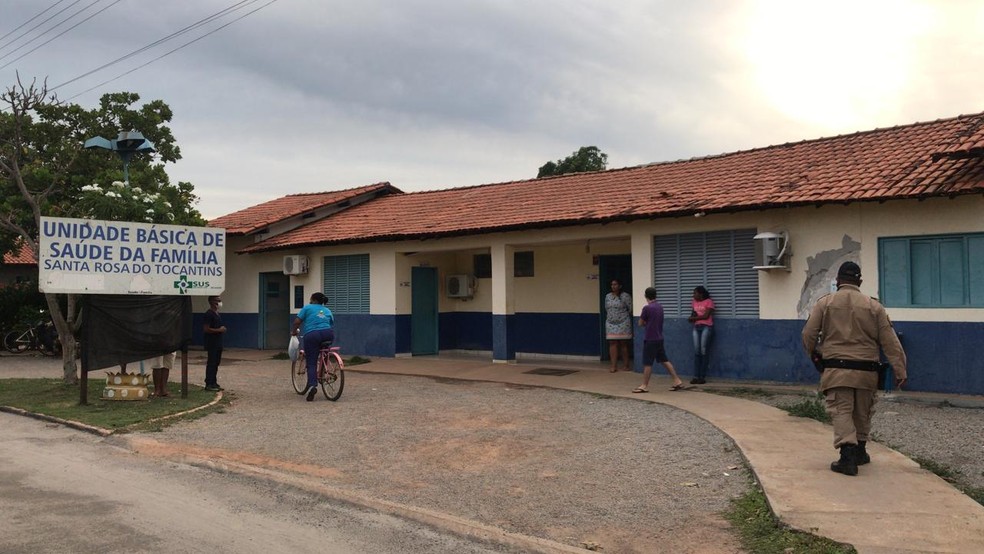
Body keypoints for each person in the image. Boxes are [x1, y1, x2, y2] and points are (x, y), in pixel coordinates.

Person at [802, 261, 907, 476]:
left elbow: (808, 334)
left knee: (842, 410)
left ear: (838, 281)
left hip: (836, 369)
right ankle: (860, 451)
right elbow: (890, 341)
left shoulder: (825, 303)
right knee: (862, 411)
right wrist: (900, 370)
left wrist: (814, 353)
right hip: (868, 371)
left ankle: (847, 457)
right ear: (859, 281)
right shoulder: (874, 306)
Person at [632, 287, 684, 393]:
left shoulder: (647, 308)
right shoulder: (660, 307)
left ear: (645, 296)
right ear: (656, 295)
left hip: (650, 338)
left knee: (647, 363)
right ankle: (677, 380)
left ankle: (644, 385)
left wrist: (647, 323)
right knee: (664, 360)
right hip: (659, 338)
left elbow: (640, 323)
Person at [291, 292, 335, 401]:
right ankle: (325, 366)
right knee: (324, 351)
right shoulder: (327, 310)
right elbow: (330, 322)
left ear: (313, 299)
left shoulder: (307, 307)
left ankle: (312, 386)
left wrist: (293, 332)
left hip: (312, 335)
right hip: (328, 334)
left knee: (311, 362)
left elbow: (297, 321)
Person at [604, 279, 633, 372]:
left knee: (623, 344)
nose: (613, 286)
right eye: (612, 284)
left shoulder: (625, 296)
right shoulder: (608, 296)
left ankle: (626, 365)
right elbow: (606, 308)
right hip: (610, 323)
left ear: (620, 286)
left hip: (623, 322)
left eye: (615, 284)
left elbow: (630, 309)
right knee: (612, 343)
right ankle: (613, 366)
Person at [688, 286, 714, 384]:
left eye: (695, 293)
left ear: (701, 294)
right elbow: (693, 314)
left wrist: (693, 319)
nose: (693, 295)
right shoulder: (694, 302)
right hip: (696, 327)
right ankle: (695, 376)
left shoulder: (709, 302)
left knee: (703, 351)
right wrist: (692, 318)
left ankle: (702, 377)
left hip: (706, 327)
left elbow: (706, 316)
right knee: (697, 352)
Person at [202, 295, 226, 391]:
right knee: (211, 363)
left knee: (216, 362)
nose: (220, 302)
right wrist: (218, 330)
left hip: (218, 342)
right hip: (212, 343)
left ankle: (214, 382)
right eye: (218, 300)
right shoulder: (209, 314)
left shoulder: (217, 313)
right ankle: (209, 383)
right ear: (212, 301)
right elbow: (206, 329)